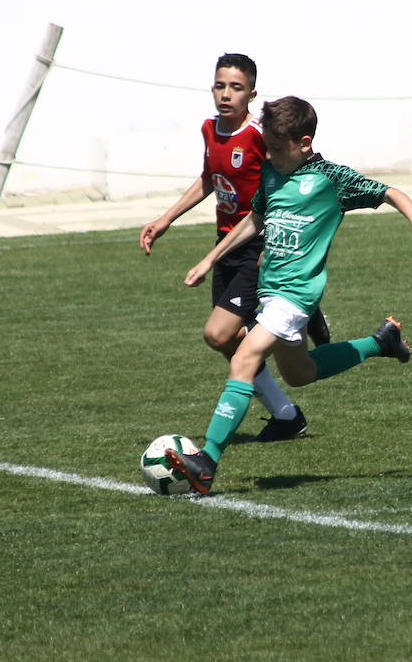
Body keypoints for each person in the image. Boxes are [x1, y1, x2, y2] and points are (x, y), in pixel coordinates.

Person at [163, 95, 412, 493]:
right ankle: (382, 341)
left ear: (305, 142)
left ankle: (207, 460)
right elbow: (256, 219)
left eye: (278, 149)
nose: (271, 155)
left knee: (245, 355)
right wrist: (210, 259)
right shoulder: (271, 172)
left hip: (296, 294)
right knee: (300, 374)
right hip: (271, 291)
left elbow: (391, 192)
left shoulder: (333, 179)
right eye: (268, 147)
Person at [139, 53, 329, 441]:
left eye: (236, 88)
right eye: (220, 85)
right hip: (227, 244)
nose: (226, 94)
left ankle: (298, 317)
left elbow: (296, 175)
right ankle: (286, 414)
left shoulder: (261, 134)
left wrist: (280, 236)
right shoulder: (210, 129)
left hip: (259, 243)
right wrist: (165, 219)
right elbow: (209, 178)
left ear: (252, 94)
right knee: (226, 340)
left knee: (218, 333)